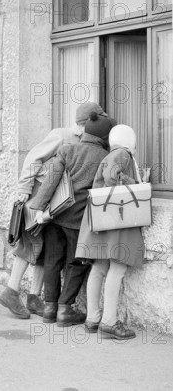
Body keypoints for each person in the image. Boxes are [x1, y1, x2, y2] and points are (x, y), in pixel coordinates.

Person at [0, 102, 108, 319]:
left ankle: (33, 297)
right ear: (86, 123)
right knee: (31, 245)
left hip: (55, 207)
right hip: (40, 199)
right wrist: (24, 187)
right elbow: (33, 158)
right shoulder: (62, 135)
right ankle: (11, 291)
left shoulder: (83, 142)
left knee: (45, 250)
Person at [29, 112, 116, 326]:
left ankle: (49, 308)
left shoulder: (67, 149)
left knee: (52, 260)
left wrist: (39, 208)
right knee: (77, 263)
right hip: (80, 220)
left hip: (55, 216)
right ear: (104, 138)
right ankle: (65, 310)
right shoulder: (104, 157)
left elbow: (50, 182)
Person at [76, 125, 144, 339]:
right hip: (117, 219)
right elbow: (112, 176)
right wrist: (138, 184)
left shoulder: (110, 154)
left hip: (102, 219)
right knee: (118, 267)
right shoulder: (122, 154)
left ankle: (93, 318)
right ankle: (109, 321)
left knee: (99, 268)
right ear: (130, 141)